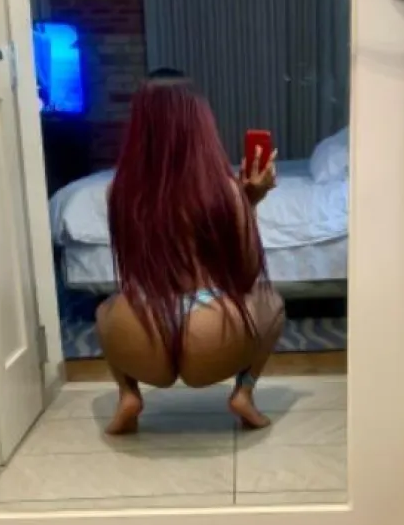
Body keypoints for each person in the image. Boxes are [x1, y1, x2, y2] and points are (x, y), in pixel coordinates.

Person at [97, 75, 284, 435]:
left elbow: (133, 271)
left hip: (141, 328)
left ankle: (128, 395)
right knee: (273, 302)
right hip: (210, 330)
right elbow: (247, 273)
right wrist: (250, 202)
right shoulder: (224, 190)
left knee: (103, 310)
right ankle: (244, 393)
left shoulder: (118, 191)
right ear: (200, 125)